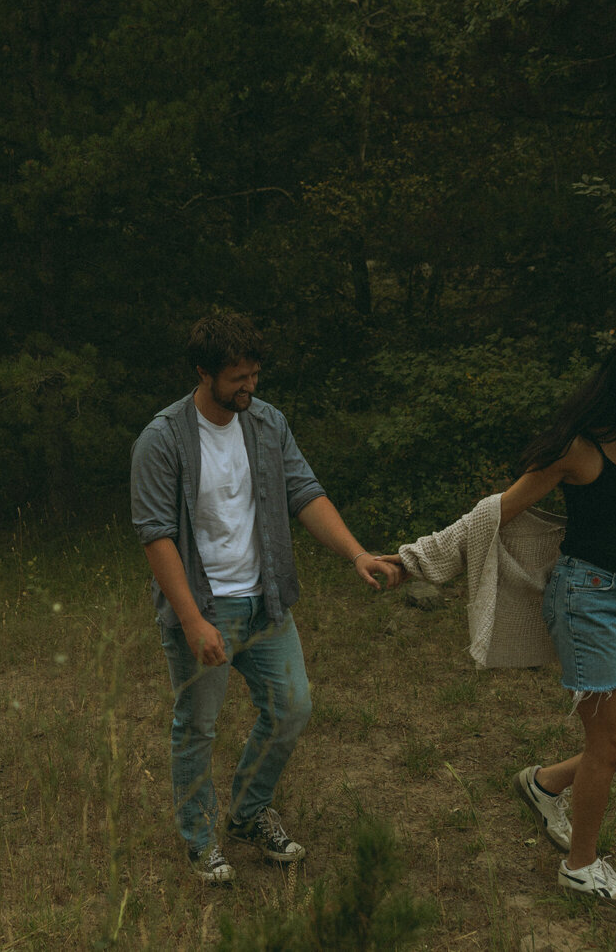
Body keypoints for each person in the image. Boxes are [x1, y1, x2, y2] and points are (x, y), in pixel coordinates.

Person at [380, 333, 616, 906]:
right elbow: (494, 513)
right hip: (582, 599)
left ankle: (545, 783)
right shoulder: (577, 449)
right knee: (611, 740)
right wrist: (412, 561)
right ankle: (580, 867)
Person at [130, 312, 403, 883]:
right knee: (197, 726)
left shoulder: (268, 423)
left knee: (291, 708)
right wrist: (191, 621)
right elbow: (156, 535)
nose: (249, 387)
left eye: (254, 374)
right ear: (204, 373)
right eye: (237, 378)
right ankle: (202, 841)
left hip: (267, 600)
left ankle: (249, 815)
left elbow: (304, 491)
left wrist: (356, 554)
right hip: (205, 608)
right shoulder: (162, 439)